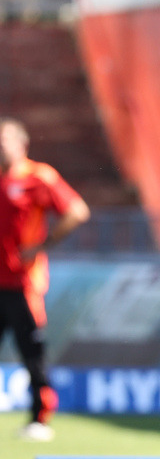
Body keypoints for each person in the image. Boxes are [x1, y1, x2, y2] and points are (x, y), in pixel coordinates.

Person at [0, 118, 90, 441]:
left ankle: (40, 417)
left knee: (31, 351)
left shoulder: (38, 177)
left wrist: (42, 246)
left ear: (21, 143)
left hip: (23, 282)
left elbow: (77, 210)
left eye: (4, 139)